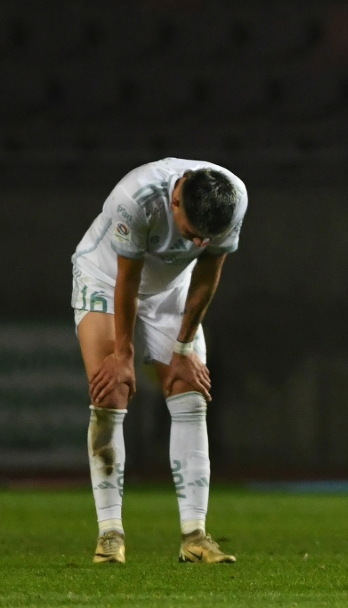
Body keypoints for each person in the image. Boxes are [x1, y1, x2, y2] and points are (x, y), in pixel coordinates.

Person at [74, 158, 246, 565]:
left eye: (208, 237)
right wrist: (123, 354)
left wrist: (184, 349)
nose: (200, 242)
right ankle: (110, 534)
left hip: (171, 286)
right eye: (192, 234)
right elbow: (128, 279)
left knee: (190, 394)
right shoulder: (135, 198)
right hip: (106, 278)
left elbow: (208, 271)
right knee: (111, 390)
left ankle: (195, 536)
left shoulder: (233, 198)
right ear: (176, 202)